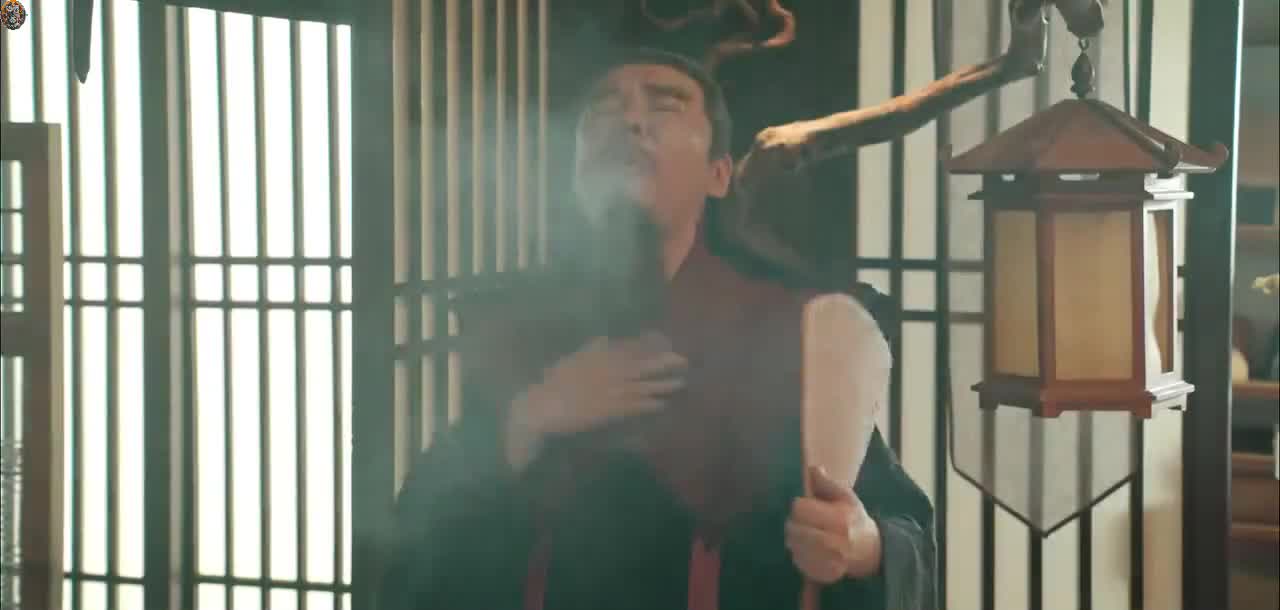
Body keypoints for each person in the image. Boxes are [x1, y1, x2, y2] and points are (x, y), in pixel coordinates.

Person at [377, 48, 936, 610]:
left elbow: (901, 530)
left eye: (665, 106)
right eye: (604, 110)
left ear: (719, 174)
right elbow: (416, 535)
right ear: (577, 175)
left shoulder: (784, 327)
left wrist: (862, 546)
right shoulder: (522, 329)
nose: (631, 120)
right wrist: (530, 418)